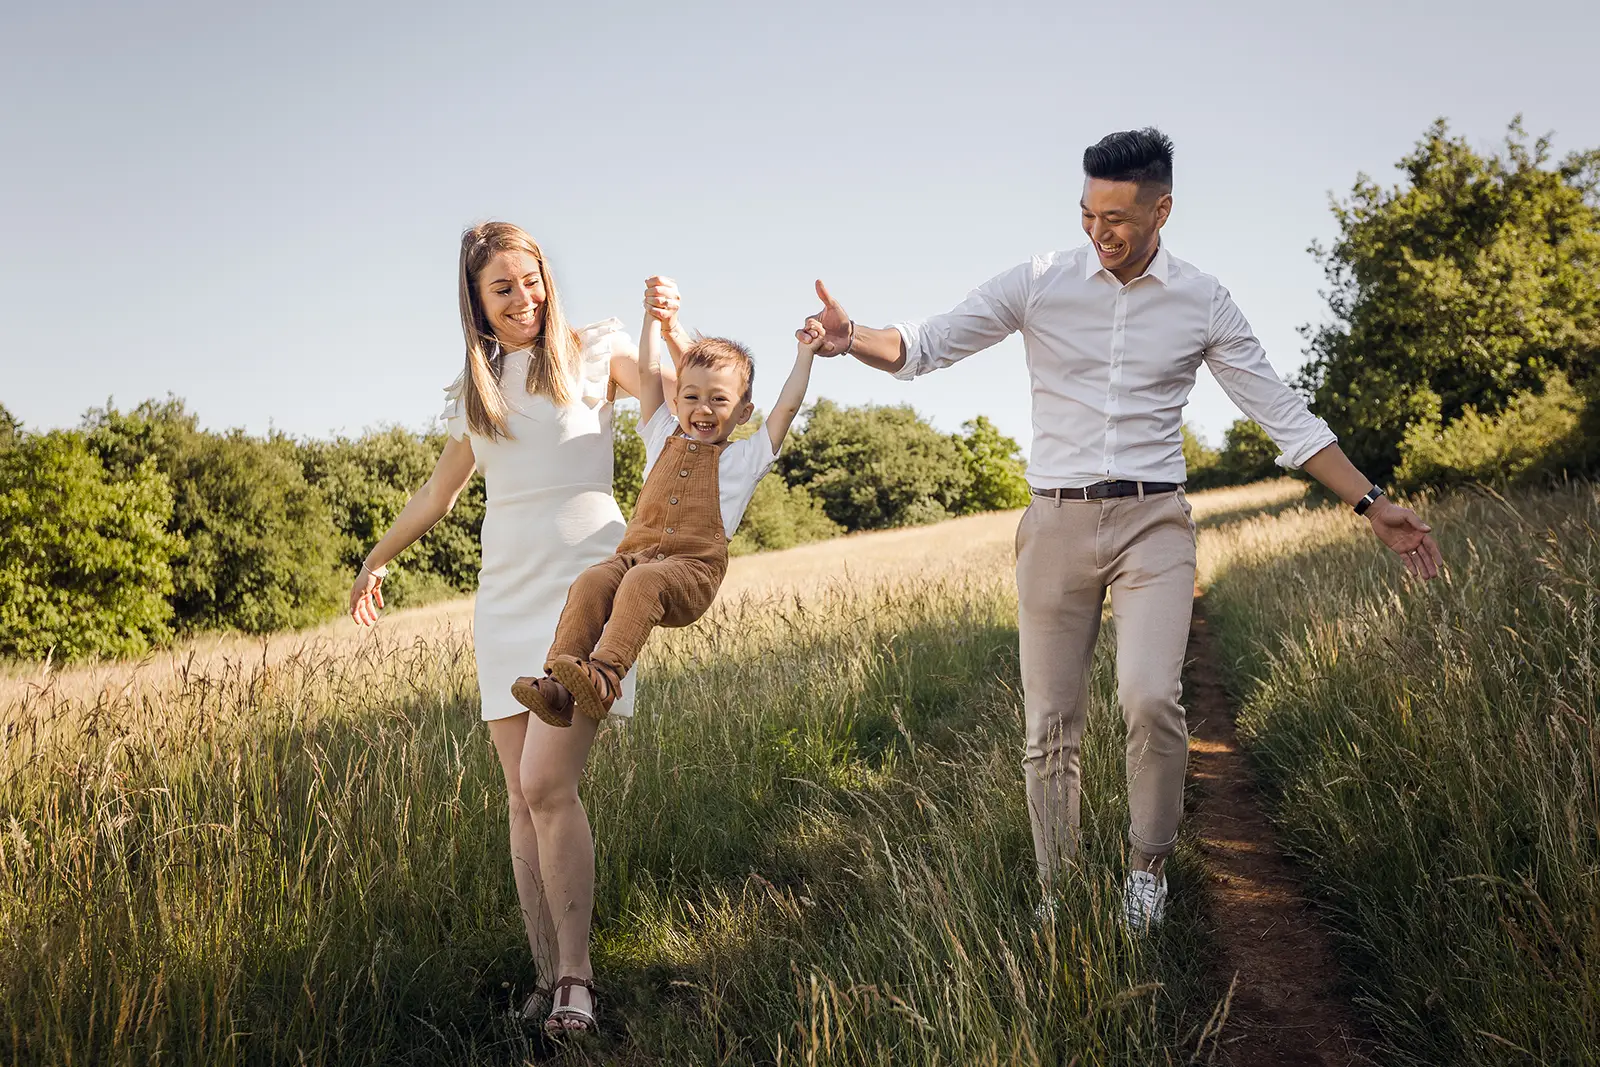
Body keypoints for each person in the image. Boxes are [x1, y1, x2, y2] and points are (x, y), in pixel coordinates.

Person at [796, 128, 1444, 934]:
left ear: (1162, 209)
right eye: (1087, 214)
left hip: (1154, 521)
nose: (1099, 232)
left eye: (1117, 219)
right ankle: (1057, 892)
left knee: (1148, 697)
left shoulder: (1202, 298)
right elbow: (926, 345)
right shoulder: (1039, 281)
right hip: (1056, 522)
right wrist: (848, 336)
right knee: (1049, 723)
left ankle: (1147, 869)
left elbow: (1281, 412)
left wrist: (1370, 500)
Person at [348, 222, 690, 1033]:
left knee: (547, 783)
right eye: (502, 288)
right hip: (503, 596)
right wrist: (376, 556)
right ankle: (545, 977)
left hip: (588, 590)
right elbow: (438, 496)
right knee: (517, 796)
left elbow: (668, 404)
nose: (523, 298)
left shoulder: (596, 350)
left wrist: (670, 328)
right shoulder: (481, 389)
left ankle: (577, 978)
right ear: (476, 302)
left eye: (530, 280)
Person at [513, 307, 826, 735]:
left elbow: (788, 407)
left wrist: (805, 353)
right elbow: (648, 371)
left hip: (691, 573)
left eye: (720, 399)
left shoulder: (743, 460)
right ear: (676, 400)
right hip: (633, 557)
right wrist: (650, 321)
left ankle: (604, 677)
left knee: (644, 582)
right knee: (591, 581)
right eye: (692, 396)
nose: (703, 408)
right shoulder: (660, 433)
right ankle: (557, 688)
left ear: (744, 412)